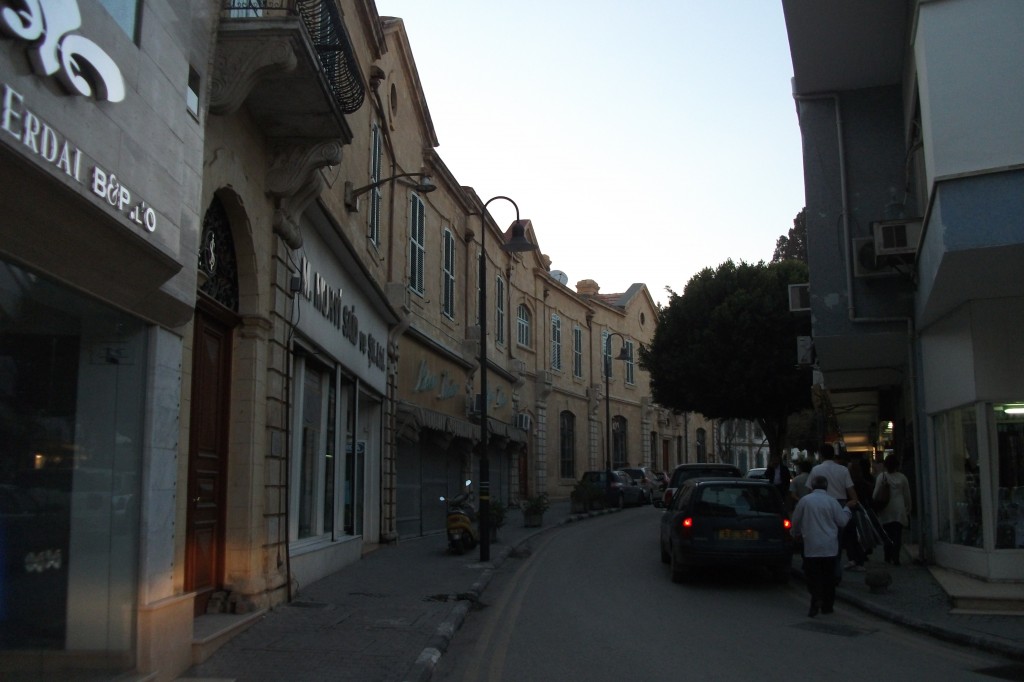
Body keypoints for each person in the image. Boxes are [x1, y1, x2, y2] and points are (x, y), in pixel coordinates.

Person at [792, 476, 855, 617]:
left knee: (813, 576)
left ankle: (816, 598)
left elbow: (796, 520)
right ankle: (827, 605)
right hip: (829, 546)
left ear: (813, 486)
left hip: (811, 546)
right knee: (828, 577)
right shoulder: (832, 501)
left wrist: (795, 533)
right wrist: (847, 508)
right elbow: (842, 521)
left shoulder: (805, 501)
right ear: (826, 487)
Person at [808, 444, 860, 574]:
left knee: (822, 533)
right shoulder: (843, 470)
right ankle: (835, 568)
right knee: (838, 537)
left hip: (820, 503)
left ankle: (824, 568)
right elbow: (851, 491)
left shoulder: (816, 470)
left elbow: (809, 490)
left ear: (821, 455)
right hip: (840, 503)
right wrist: (852, 502)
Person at [874, 454, 912, 566]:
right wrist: (908, 508)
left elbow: (875, 494)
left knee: (887, 534)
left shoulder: (882, 477)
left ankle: (887, 556)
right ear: (897, 465)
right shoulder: (902, 478)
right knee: (897, 535)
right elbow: (907, 495)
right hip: (899, 509)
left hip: (886, 509)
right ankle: (896, 557)